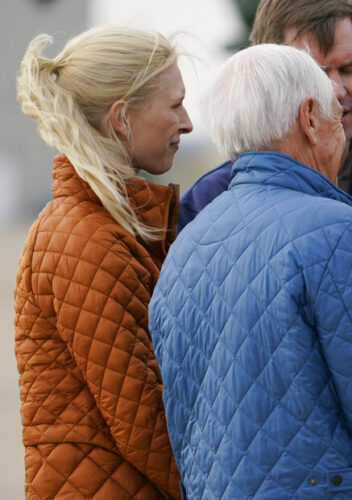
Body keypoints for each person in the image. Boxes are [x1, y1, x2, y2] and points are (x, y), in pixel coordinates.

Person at [148, 43, 352, 499]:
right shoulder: (340, 234)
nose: (344, 134)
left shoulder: (183, 251)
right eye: (337, 118)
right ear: (310, 118)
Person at [13, 26, 191, 499]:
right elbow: (145, 424)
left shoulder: (105, 226)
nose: (188, 122)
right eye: (174, 105)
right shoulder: (87, 240)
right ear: (122, 119)